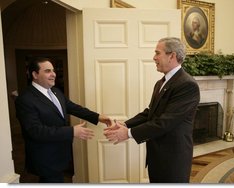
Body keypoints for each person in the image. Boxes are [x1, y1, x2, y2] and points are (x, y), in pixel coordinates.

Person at [104, 37, 200, 183]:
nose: (154, 57)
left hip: (173, 158)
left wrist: (128, 134)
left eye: (157, 53)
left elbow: (165, 122)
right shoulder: (160, 83)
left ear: (172, 56)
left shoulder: (187, 85)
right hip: (157, 155)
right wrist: (126, 125)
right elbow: (150, 112)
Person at [15, 57, 112, 183]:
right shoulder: (25, 99)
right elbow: (35, 131)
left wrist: (98, 117)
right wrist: (71, 131)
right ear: (35, 74)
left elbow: (73, 107)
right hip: (45, 157)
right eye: (47, 71)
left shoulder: (55, 91)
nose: (53, 74)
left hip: (59, 154)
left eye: (53, 71)